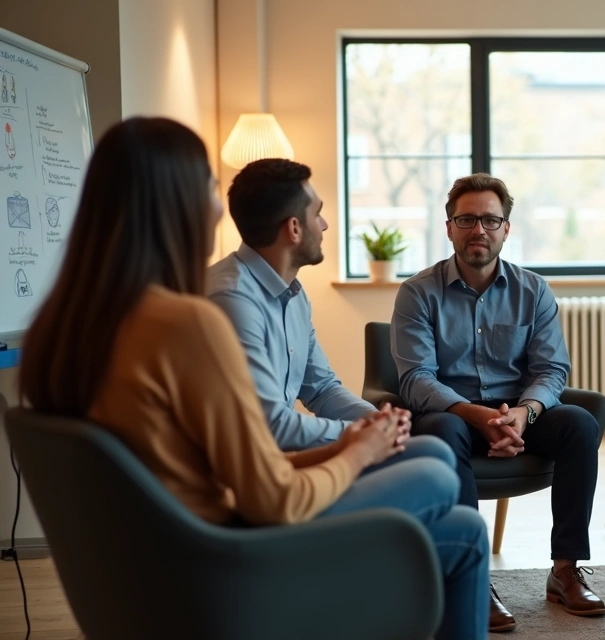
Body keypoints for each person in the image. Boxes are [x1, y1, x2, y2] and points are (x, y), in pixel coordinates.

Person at [18, 117, 489, 640]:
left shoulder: (57, 327)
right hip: (222, 566)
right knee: (439, 478)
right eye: (210, 187)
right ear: (176, 204)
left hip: (161, 557)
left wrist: (372, 431)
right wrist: (358, 449)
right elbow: (269, 494)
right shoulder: (192, 319)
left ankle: (384, 577)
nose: (221, 207)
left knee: (453, 509)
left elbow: (228, 455)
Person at [392, 173, 605, 631]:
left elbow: (551, 371)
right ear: (448, 227)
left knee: (579, 423)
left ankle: (565, 569)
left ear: (507, 228)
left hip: (517, 412)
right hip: (452, 413)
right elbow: (415, 378)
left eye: (491, 220)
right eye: (466, 219)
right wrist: (477, 415)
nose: (479, 230)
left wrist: (523, 415)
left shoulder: (534, 291)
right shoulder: (417, 293)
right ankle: (473, 577)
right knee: (444, 429)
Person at [207, 158, 448, 475]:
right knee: (433, 470)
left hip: (282, 459)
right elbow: (270, 424)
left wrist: (375, 419)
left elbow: (320, 388)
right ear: (293, 228)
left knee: (432, 450)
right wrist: (361, 436)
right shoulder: (232, 300)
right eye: (316, 214)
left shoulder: (294, 294)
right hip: (254, 474)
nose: (324, 225)